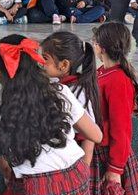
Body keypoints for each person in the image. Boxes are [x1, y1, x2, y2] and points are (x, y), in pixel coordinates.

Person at [0, 36, 102, 195]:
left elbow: (1, 160)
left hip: (34, 187)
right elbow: (96, 136)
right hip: (76, 177)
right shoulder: (60, 91)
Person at [92, 22, 138, 195]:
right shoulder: (102, 72)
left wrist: (115, 169)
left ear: (100, 48)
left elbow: (121, 129)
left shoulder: (118, 79)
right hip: (97, 150)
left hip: (109, 156)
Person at [40, 31, 100, 168]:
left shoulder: (76, 92)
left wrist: (84, 169)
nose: (41, 62)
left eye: (45, 58)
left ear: (64, 65)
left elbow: (89, 137)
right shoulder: (63, 85)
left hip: (76, 160)